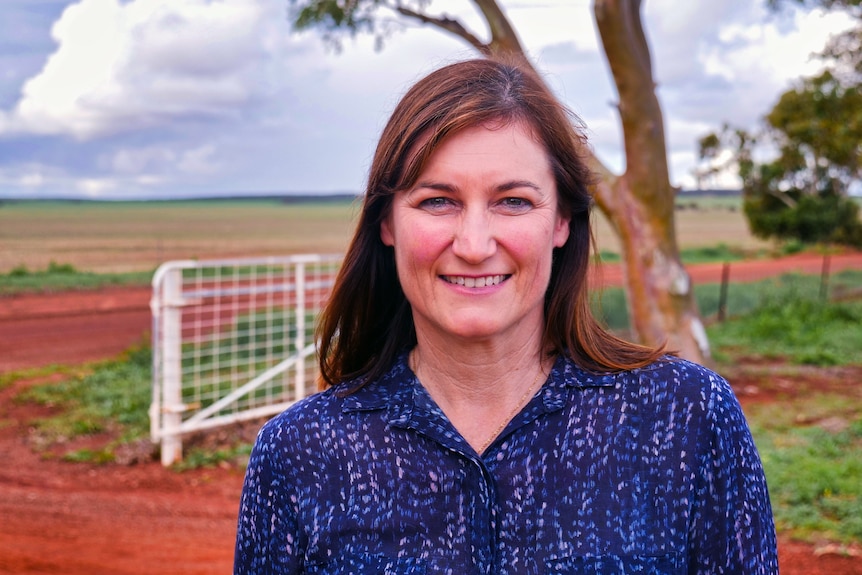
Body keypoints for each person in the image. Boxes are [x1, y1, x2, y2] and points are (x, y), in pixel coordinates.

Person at [234, 57, 778, 574]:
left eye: (513, 201)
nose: (473, 245)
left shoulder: (686, 418)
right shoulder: (299, 452)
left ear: (562, 221)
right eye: (437, 201)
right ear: (388, 224)